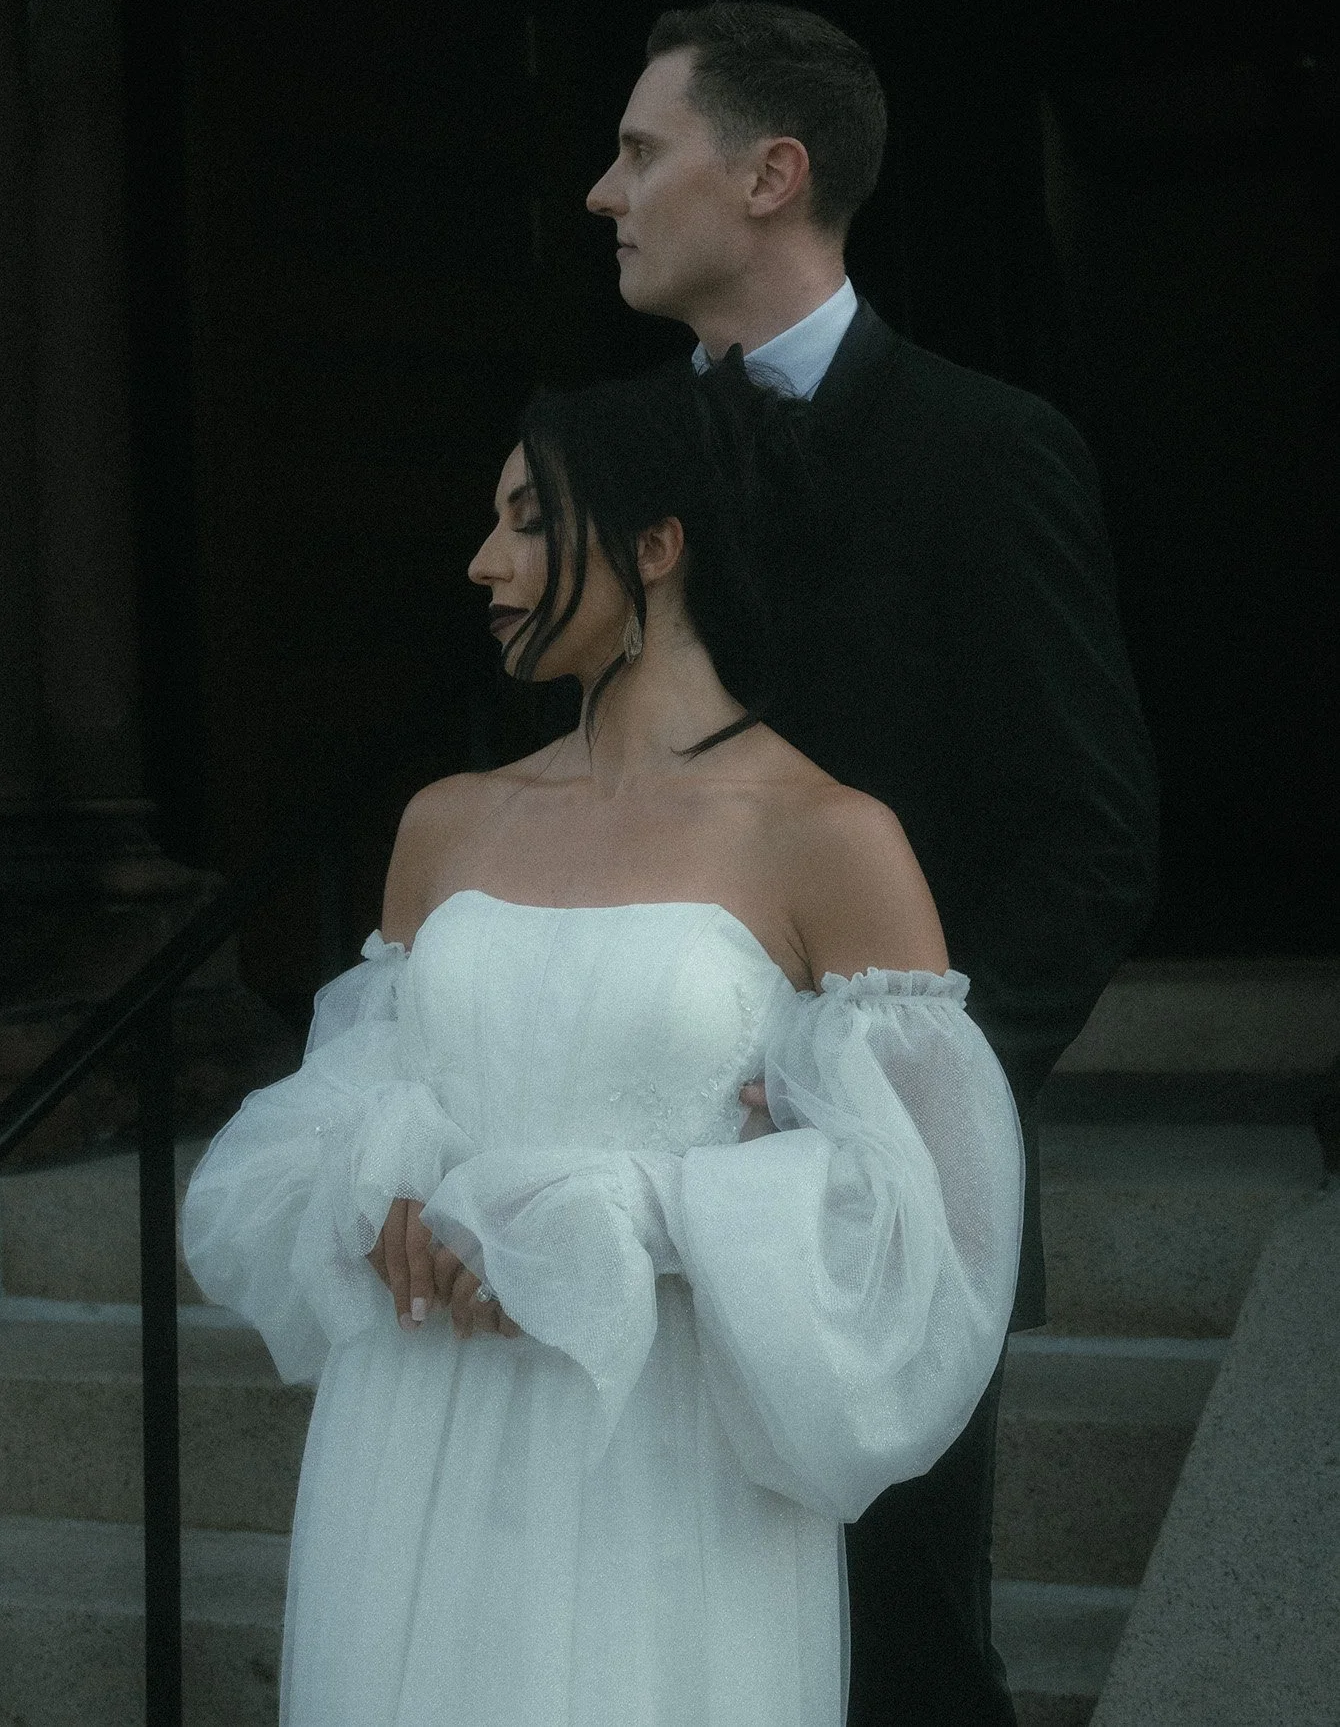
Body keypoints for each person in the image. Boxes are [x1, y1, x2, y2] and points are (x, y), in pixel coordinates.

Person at [182, 360, 1025, 1727]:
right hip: (419, 1424)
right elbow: (347, 1091)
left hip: (662, 1451)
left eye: (526, 519)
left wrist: (642, 1208)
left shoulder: (828, 836)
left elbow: (934, 1227)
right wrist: (383, 1176)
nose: (482, 561)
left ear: (655, 544)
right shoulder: (444, 821)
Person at [586, 1, 1160, 1725]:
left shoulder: (992, 451)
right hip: (621, 1182)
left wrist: (900, 1100)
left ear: (773, 175)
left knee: (897, 1661)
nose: (599, 194)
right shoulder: (597, 468)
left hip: (887, 1201)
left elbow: (1090, 837)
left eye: (636, 151)